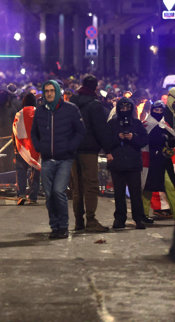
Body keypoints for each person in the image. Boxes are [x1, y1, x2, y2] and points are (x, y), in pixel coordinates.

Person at [31, 80, 86, 239]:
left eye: (52, 91)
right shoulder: (40, 111)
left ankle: (63, 226)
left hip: (65, 159)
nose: (49, 93)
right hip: (47, 158)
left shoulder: (70, 109)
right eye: (46, 90)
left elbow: (80, 131)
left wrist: (70, 147)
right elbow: (34, 132)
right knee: (49, 194)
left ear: (57, 92)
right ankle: (54, 226)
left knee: (58, 191)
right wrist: (39, 146)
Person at [69, 74, 112, 232]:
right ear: (95, 87)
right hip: (89, 150)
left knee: (77, 186)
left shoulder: (72, 102)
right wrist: (109, 149)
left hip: (73, 150)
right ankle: (91, 220)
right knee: (91, 185)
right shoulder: (95, 105)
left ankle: (78, 221)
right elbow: (100, 130)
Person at [105, 97, 149, 229]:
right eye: (122, 108)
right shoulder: (112, 124)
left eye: (127, 108)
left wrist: (132, 137)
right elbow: (106, 142)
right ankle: (119, 219)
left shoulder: (136, 123)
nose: (125, 110)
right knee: (119, 194)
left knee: (136, 194)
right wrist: (118, 137)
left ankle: (138, 218)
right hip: (117, 163)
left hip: (133, 163)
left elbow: (144, 140)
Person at [142, 101, 175, 220]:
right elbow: (144, 142)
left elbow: (172, 139)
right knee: (147, 187)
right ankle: (143, 214)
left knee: (170, 186)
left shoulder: (164, 124)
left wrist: (169, 141)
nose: (159, 113)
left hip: (164, 159)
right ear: (152, 110)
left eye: (161, 111)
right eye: (156, 110)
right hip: (151, 160)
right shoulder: (146, 124)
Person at [13, 92, 41, 205]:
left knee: (21, 172)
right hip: (36, 148)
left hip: (21, 148)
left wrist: (15, 147)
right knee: (36, 172)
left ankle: (21, 195)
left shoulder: (18, 114)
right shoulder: (38, 113)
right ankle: (33, 197)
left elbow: (14, 131)